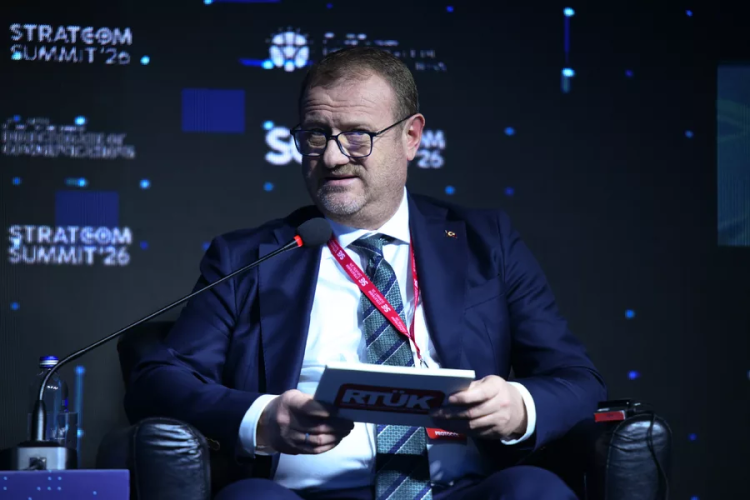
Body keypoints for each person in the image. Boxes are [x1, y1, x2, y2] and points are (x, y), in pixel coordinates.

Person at [125, 47, 607, 500]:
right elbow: (158, 380)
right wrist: (264, 418)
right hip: (301, 495)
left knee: (533, 490)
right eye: (316, 134)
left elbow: (577, 378)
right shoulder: (247, 257)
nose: (332, 157)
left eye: (358, 134)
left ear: (411, 137)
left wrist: (518, 406)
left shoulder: (487, 241)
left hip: (459, 490)